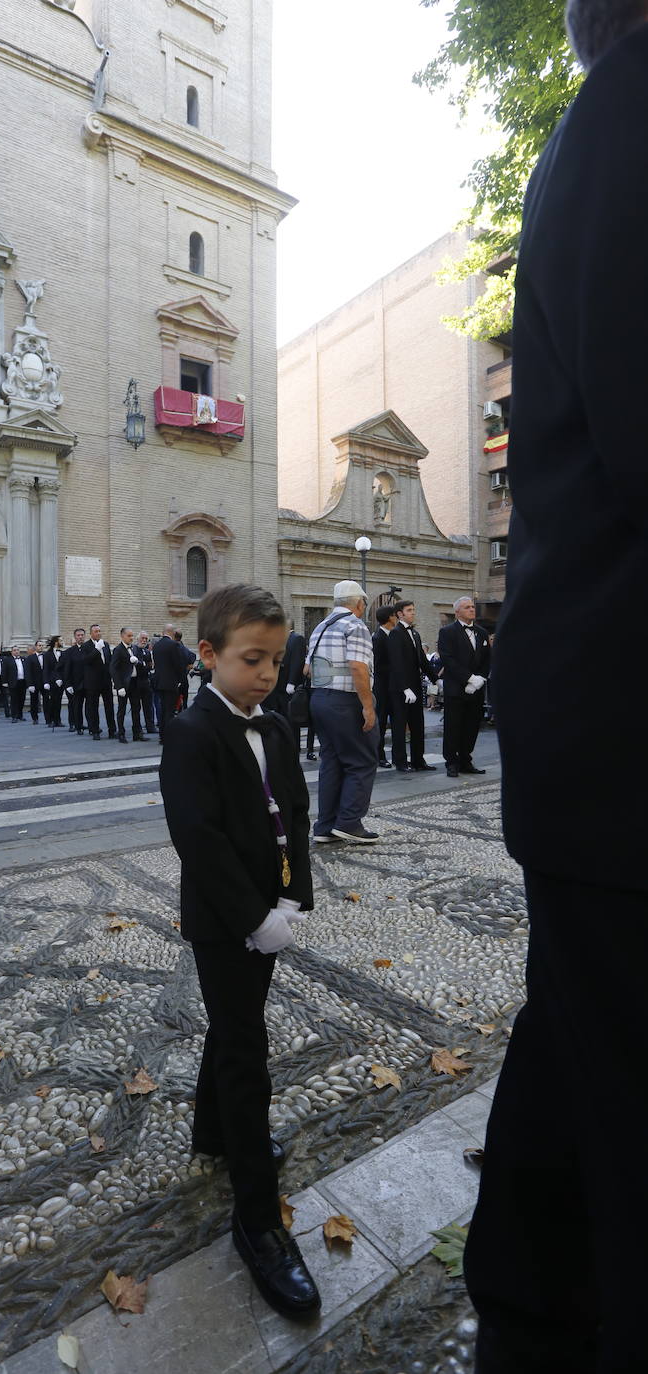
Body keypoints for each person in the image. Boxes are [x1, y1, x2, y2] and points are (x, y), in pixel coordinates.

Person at [462, 5, 648, 1370]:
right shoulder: (634, 118)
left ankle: (525, 1322)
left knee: (581, 1073)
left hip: (605, 754)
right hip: (624, 753)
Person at [159, 583, 320, 1320]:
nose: (267, 674)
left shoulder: (278, 727)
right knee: (245, 1047)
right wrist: (252, 914)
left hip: (270, 912)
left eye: (277, 660)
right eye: (252, 659)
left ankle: (212, 1133)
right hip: (226, 922)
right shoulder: (191, 733)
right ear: (209, 654)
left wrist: (294, 897)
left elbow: (296, 810)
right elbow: (200, 839)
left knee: (234, 1023)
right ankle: (257, 1219)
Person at [306, 580, 379, 844]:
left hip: (320, 699)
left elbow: (308, 669)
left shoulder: (320, 627)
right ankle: (349, 822)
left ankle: (325, 826)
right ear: (360, 603)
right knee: (362, 760)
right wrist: (368, 706)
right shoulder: (355, 625)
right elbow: (358, 667)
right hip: (346, 701)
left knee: (332, 762)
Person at [437, 597, 490, 779]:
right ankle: (452, 762)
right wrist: (469, 678)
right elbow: (448, 659)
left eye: (473, 607)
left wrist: (480, 679)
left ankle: (466, 760)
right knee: (453, 726)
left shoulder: (482, 633)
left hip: (476, 689)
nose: (472, 610)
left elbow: (487, 659)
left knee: (472, 725)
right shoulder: (447, 632)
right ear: (457, 611)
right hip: (456, 688)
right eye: (467, 607)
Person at [387, 600, 439, 772]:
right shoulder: (395, 633)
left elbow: (422, 661)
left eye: (413, 610)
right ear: (400, 614)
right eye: (409, 610)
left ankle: (418, 760)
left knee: (418, 724)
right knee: (400, 725)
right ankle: (401, 762)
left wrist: (435, 679)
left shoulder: (415, 634)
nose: (413, 613)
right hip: (401, 689)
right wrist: (404, 687)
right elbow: (396, 663)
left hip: (416, 686)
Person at [110, 627, 147, 742]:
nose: (131, 638)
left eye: (132, 636)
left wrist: (138, 662)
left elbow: (141, 664)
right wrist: (119, 686)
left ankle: (137, 734)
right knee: (122, 709)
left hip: (135, 683)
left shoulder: (135, 648)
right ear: (122, 636)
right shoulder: (118, 649)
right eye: (129, 636)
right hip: (124, 685)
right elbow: (113, 668)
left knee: (136, 708)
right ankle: (121, 734)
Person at [371, 605, 398, 770]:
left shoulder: (393, 635)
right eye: (395, 615)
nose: (396, 618)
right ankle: (379, 755)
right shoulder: (378, 637)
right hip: (382, 686)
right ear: (389, 618)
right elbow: (379, 665)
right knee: (380, 722)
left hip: (393, 685)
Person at [263, 621, 307, 715]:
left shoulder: (297, 639)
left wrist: (292, 682)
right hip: (278, 684)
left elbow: (297, 660)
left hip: (288, 684)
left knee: (289, 714)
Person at [152, 623, 186, 740]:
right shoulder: (173, 645)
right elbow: (178, 665)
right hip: (171, 683)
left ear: (163, 632)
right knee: (170, 711)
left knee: (162, 709)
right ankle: (168, 736)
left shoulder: (156, 646)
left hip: (159, 682)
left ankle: (162, 735)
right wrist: (180, 680)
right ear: (172, 633)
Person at [83, 624, 116, 740]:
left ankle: (112, 730)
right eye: (96, 631)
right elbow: (86, 661)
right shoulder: (86, 646)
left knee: (109, 706)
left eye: (99, 631)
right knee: (93, 707)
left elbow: (109, 661)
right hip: (93, 682)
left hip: (106, 680)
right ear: (91, 633)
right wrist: (97, 649)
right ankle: (95, 730)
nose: (98, 633)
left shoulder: (105, 644)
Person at [61, 629, 87, 734]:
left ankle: (93, 726)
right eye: (78, 635)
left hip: (89, 683)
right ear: (75, 637)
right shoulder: (69, 652)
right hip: (76, 684)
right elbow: (66, 670)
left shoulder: (90, 649)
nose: (80, 637)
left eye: (82, 635)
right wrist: (68, 685)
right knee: (77, 706)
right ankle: (78, 726)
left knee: (90, 707)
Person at [39, 635, 65, 727]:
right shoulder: (47, 654)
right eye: (61, 640)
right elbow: (46, 669)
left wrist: (61, 678)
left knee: (58, 701)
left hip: (61, 681)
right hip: (51, 681)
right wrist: (46, 682)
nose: (62, 641)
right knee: (51, 701)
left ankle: (58, 720)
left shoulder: (63, 653)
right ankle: (50, 720)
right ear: (56, 642)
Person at [133, 631, 156, 736]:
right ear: (137, 639)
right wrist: (144, 665)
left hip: (146, 682)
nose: (144, 640)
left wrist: (144, 664)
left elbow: (150, 665)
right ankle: (137, 729)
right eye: (142, 638)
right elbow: (138, 665)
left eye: (146, 639)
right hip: (136, 683)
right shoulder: (134, 650)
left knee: (148, 706)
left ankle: (150, 726)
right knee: (136, 706)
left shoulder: (147, 651)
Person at [2, 645, 28, 720]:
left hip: (22, 682)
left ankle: (20, 715)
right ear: (12, 652)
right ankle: (14, 716)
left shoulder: (23, 659)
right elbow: (4, 671)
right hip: (13, 682)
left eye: (17, 650)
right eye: (15, 650)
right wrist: (4, 682)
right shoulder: (7, 660)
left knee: (22, 699)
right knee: (14, 700)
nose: (16, 651)